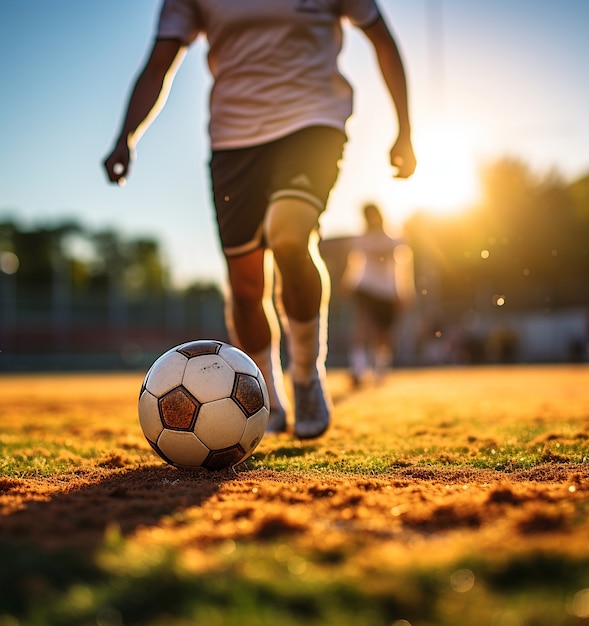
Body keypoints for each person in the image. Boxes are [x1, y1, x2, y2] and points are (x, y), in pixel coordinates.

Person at [103, 0, 416, 439]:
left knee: (289, 238)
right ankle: (266, 392)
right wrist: (126, 136)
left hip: (313, 122)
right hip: (234, 143)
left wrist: (405, 128)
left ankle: (307, 377)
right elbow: (159, 66)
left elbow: (382, 39)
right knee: (247, 286)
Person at [342, 203, 415, 386]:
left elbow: (402, 266)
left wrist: (404, 290)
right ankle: (358, 370)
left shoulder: (394, 239)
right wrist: (348, 280)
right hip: (366, 287)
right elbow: (355, 263)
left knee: (383, 334)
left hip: (387, 291)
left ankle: (380, 369)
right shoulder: (361, 240)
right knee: (363, 325)